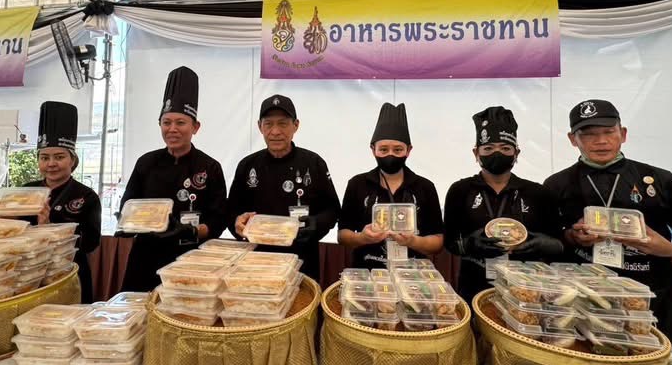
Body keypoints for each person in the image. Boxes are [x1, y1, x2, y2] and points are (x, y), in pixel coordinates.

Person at [543, 99, 672, 347]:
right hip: (584, 297)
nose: (600, 141)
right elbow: (549, 240)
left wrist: (671, 249)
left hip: (651, 293)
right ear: (572, 139)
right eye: (588, 134)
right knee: (586, 360)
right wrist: (572, 236)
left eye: (608, 132)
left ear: (622, 134)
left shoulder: (658, 180)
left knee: (655, 359)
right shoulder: (556, 185)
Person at [118, 66, 227, 292]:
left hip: (191, 258)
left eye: (180, 123)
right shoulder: (146, 163)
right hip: (145, 256)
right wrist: (127, 221)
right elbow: (128, 205)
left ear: (195, 127)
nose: (172, 129)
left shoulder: (210, 167)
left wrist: (191, 231)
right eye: (166, 122)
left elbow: (218, 220)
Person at [444, 106, 563, 303]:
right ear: (476, 153)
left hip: (526, 289)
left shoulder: (538, 193)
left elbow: (559, 243)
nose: (497, 153)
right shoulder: (460, 190)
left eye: (505, 148)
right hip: (473, 286)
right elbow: (450, 242)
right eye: (488, 148)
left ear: (516, 153)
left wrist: (543, 244)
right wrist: (469, 244)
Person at [227, 95, 340, 281]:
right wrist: (237, 222)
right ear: (259, 126)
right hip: (256, 261)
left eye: (283, 124)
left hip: (302, 259)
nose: (275, 131)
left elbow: (332, 209)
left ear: (296, 125)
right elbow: (231, 211)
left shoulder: (313, 163)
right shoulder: (247, 165)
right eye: (268, 124)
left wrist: (316, 223)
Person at [338, 102, 443, 268]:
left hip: (413, 274)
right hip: (367, 271)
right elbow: (343, 235)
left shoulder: (425, 187)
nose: (390, 155)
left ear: (409, 150)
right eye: (384, 149)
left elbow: (437, 242)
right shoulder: (357, 184)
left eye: (398, 150)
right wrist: (362, 238)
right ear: (373, 149)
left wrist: (413, 241)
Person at [22, 101, 101, 304]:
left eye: (59, 157)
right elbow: (13, 234)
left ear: (72, 160)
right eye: (44, 158)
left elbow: (91, 243)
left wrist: (50, 229)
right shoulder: (26, 191)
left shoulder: (87, 196)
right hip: (29, 274)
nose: (51, 164)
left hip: (70, 274)